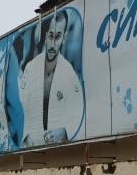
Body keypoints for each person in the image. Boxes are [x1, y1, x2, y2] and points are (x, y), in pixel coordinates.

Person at [5, 10, 84, 148]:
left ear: (63, 38)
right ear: (46, 36)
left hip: (59, 148)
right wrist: (26, 135)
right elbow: (19, 106)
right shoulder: (31, 68)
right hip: (31, 146)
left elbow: (78, 111)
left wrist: (65, 131)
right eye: (51, 36)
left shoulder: (68, 73)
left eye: (58, 37)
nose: (53, 44)